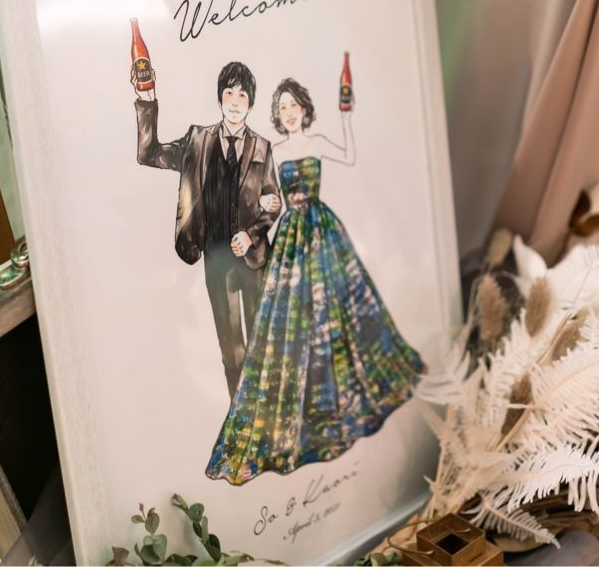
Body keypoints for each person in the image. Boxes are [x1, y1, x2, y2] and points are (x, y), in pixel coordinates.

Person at [206, 77, 424, 485]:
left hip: (323, 231)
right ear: (278, 115)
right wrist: (268, 202)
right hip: (292, 237)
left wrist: (346, 117)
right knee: (292, 323)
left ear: (304, 109)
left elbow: (349, 154)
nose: (289, 113)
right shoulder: (275, 150)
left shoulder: (318, 141)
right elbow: (268, 195)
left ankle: (341, 400)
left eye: (294, 106)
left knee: (340, 313)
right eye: (282, 108)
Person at [133, 61, 282, 398]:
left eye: (242, 95)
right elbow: (149, 154)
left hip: (255, 260)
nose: (235, 101)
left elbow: (274, 202)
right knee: (232, 353)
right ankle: (242, 416)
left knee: (262, 345)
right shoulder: (197, 141)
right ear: (219, 98)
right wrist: (147, 97)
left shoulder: (262, 146)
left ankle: (270, 411)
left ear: (251, 103)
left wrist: (251, 234)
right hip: (216, 260)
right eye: (229, 93)